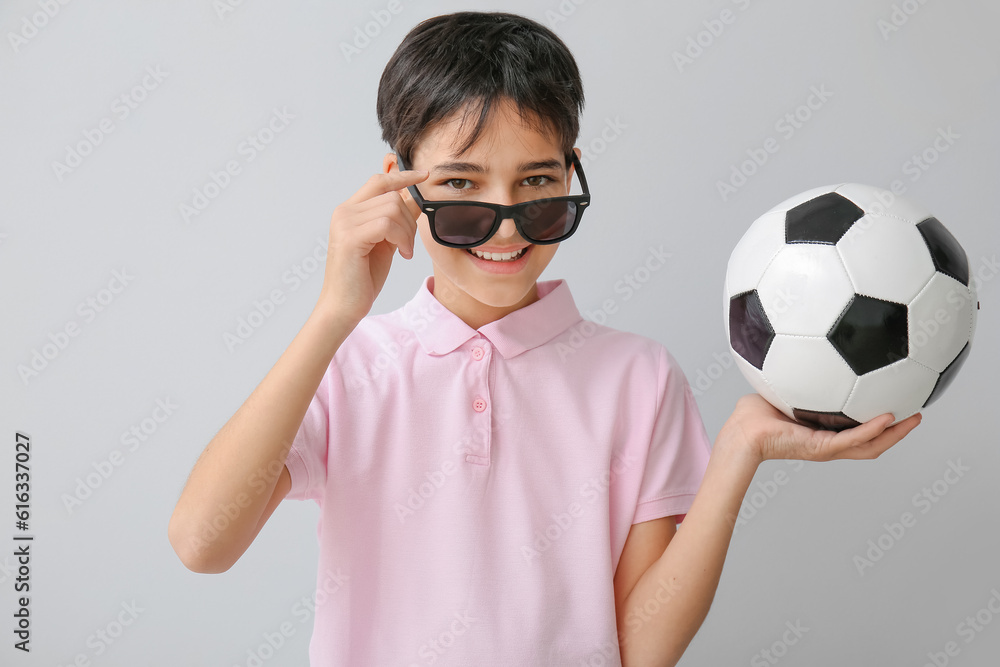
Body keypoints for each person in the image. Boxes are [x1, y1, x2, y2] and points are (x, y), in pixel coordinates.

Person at [167, 11, 921, 666]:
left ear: (572, 172)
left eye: (535, 183)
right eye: (461, 185)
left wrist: (737, 453)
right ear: (400, 185)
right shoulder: (350, 366)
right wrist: (335, 315)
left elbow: (641, 647)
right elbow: (203, 542)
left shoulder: (638, 377)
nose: (503, 222)